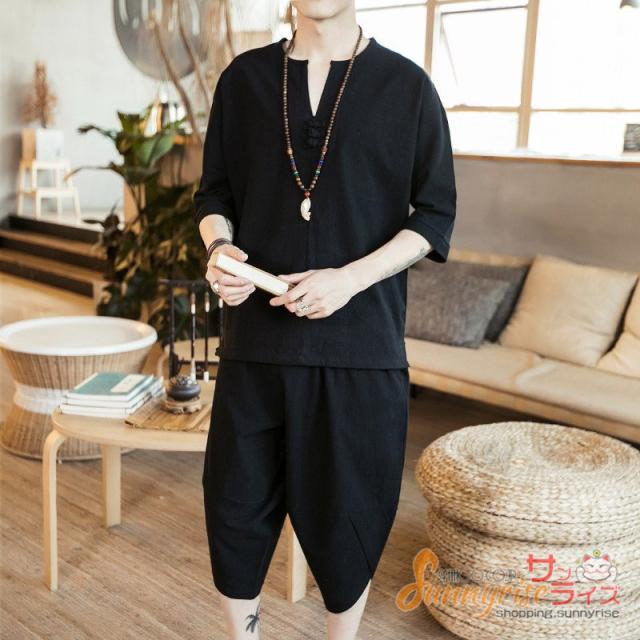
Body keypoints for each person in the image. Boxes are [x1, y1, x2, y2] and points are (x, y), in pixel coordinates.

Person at [194, 1, 456, 638]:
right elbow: (214, 194)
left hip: (359, 351)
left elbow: (433, 216)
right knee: (234, 513)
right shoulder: (243, 80)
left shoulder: (408, 87)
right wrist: (219, 249)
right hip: (254, 346)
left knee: (349, 522)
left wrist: (350, 279)